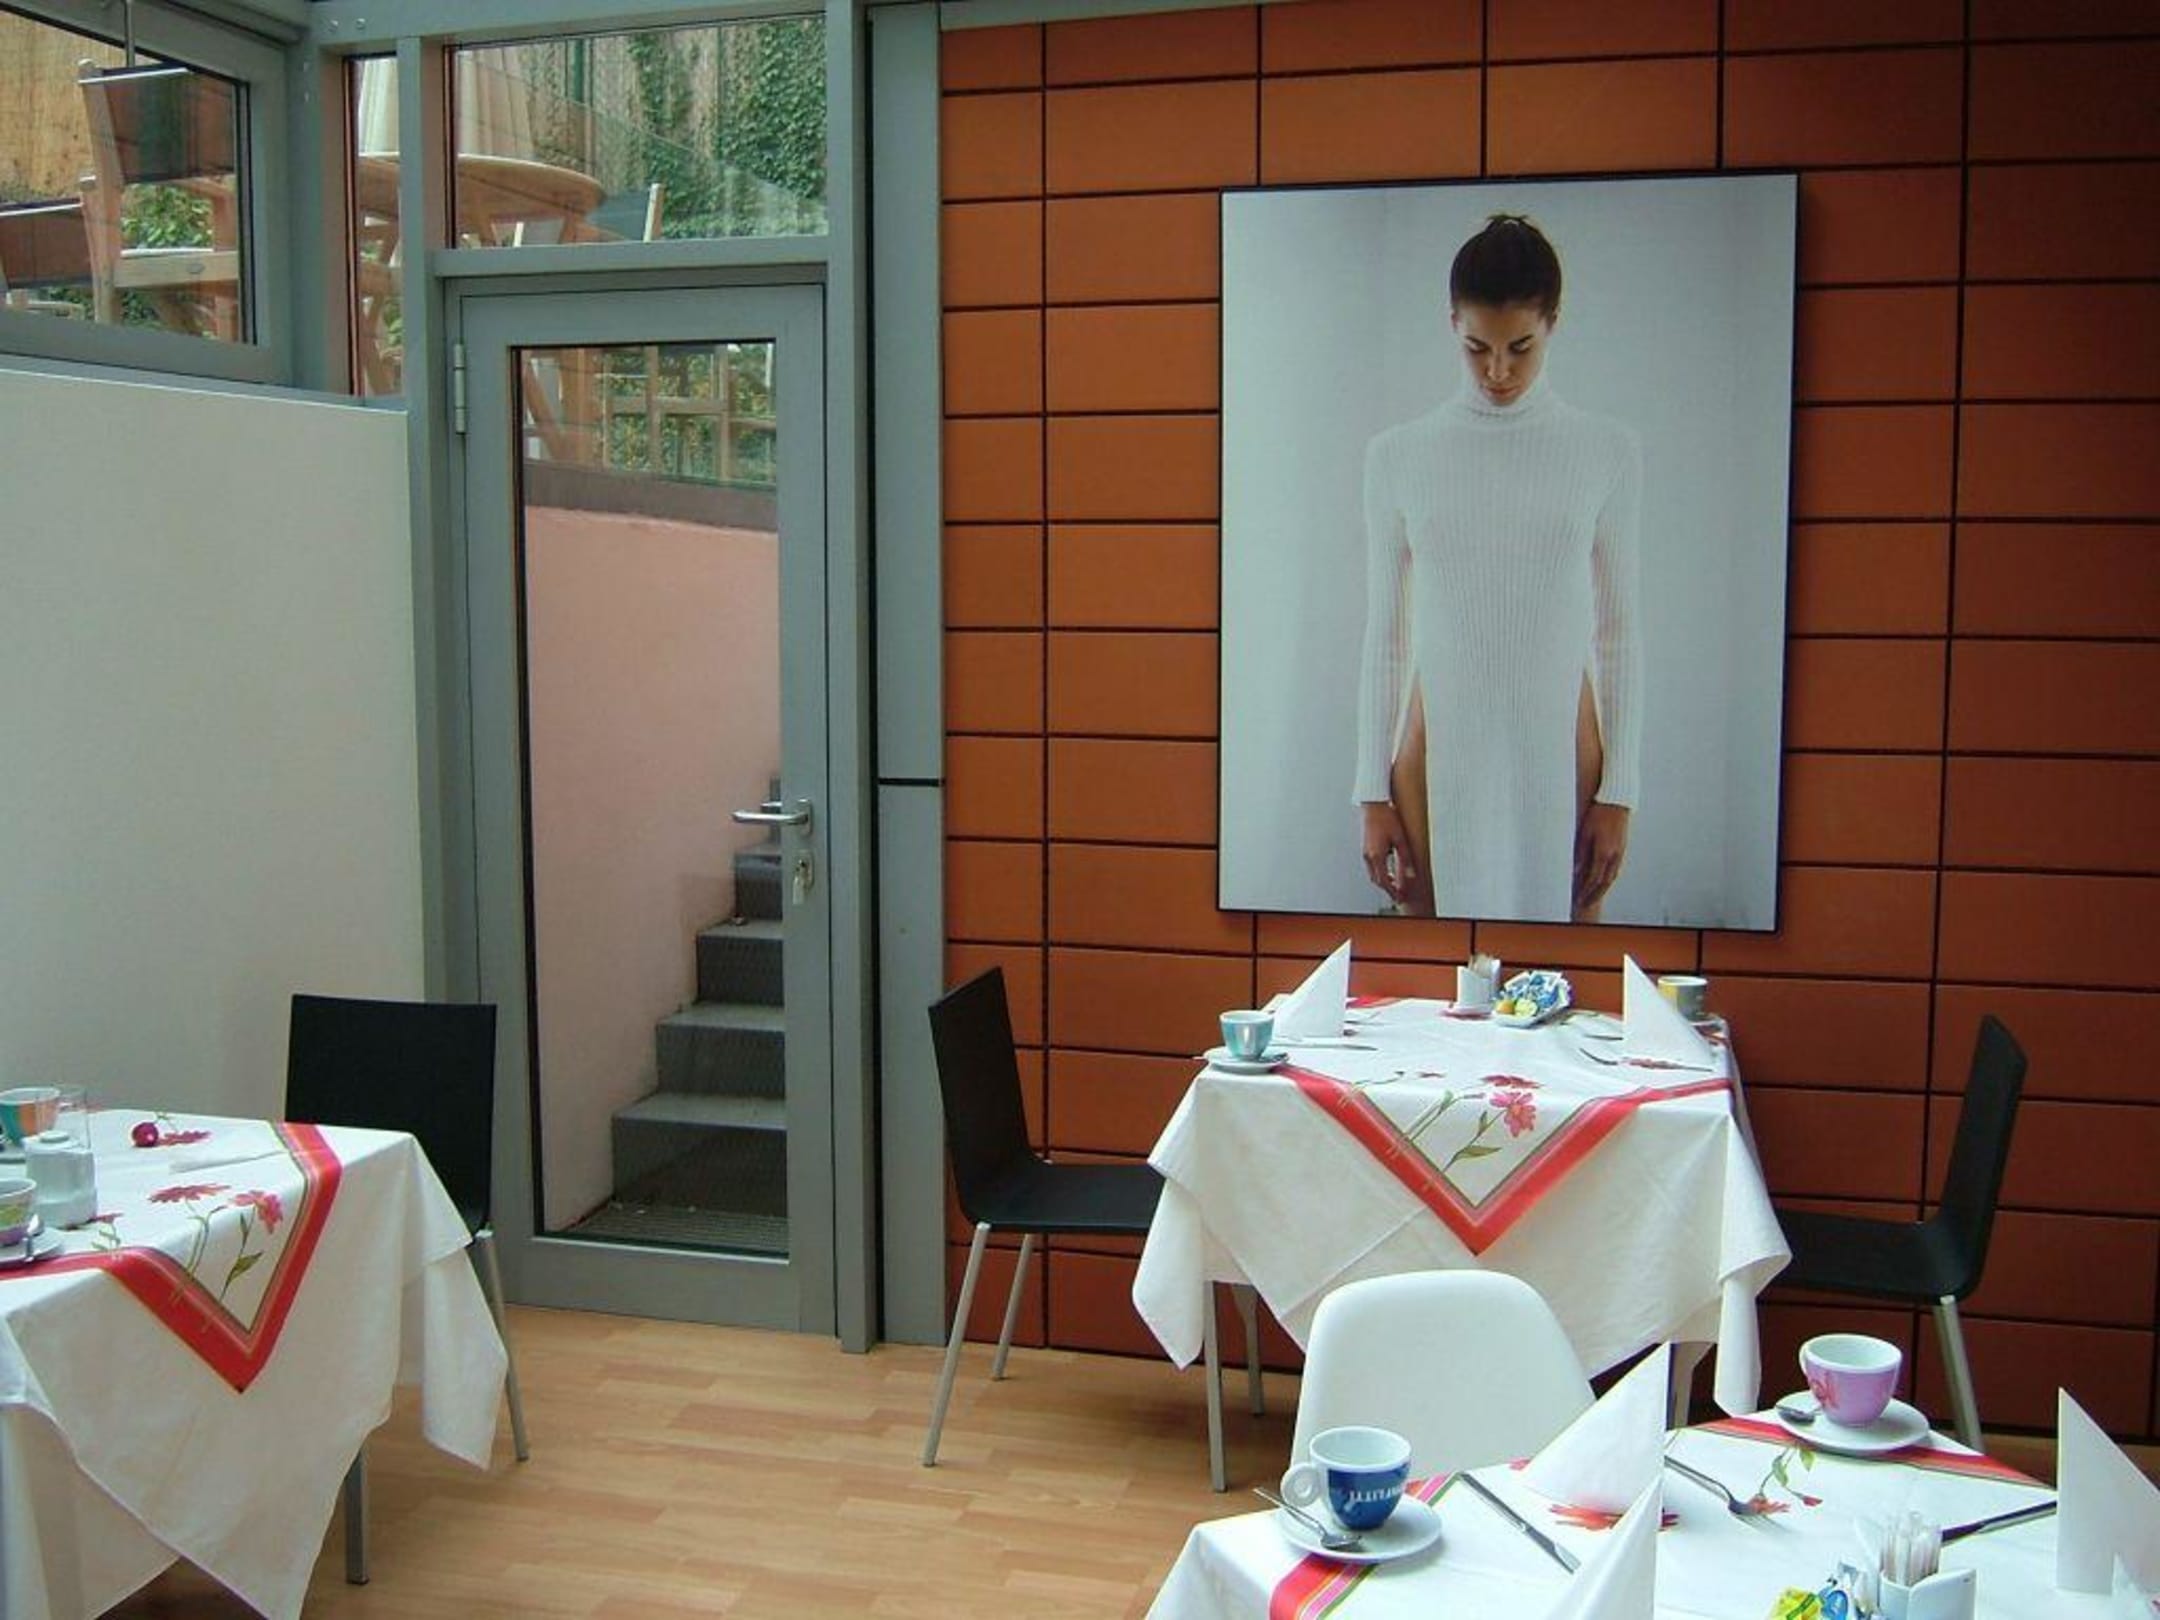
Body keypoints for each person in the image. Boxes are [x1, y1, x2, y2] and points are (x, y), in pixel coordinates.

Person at [1353, 214, 1642, 924]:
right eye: (1477, 348)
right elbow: (1386, 634)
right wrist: (1369, 793)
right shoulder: (1397, 456)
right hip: (1436, 738)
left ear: (1552, 324)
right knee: (1431, 966)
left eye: (1521, 347)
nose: (1499, 372)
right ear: (1453, 323)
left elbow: (1619, 631)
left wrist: (1621, 793)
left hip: (1563, 737)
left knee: (1565, 965)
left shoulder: (1606, 451)